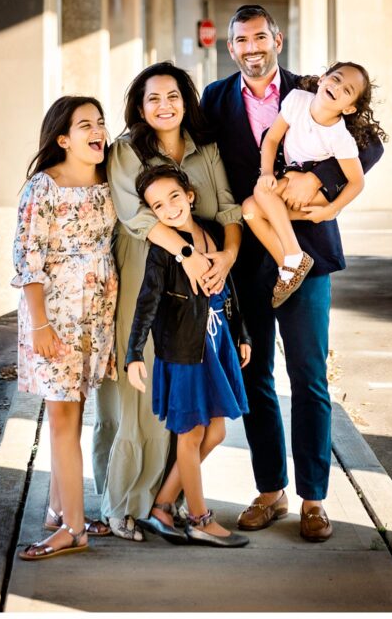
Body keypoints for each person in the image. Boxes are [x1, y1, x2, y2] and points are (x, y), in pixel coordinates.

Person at [200, 5, 384, 543]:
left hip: (307, 250)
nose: (251, 47)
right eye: (241, 40)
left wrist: (317, 178)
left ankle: (314, 499)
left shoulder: (315, 88)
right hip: (247, 257)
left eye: (260, 36)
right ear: (230, 48)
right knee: (255, 375)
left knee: (308, 376)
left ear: (277, 39)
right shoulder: (214, 99)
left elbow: (368, 143)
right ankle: (270, 490)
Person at [96, 62, 243, 540]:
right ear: (139, 107)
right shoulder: (125, 150)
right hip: (147, 274)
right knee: (140, 396)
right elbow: (133, 214)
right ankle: (123, 503)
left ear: (186, 100)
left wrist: (226, 256)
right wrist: (186, 253)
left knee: (185, 401)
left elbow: (226, 209)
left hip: (201, 282)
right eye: (153, 98)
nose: (164, 105)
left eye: (173, 95)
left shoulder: (207, 150)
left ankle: (168, 501)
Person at [12, 96, 118, 560]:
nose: (97, 131)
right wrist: (39, 324)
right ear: (63, 138)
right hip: (54, 316)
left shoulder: (108, 180)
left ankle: (61, 510)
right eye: (85, 125)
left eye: (100, 122)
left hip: (95, 316)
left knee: (75, 415)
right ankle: (74, 528)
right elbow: (27, 258)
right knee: (62, 419)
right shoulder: (43, 187)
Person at [125, 164, 251, 548]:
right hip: (182, 351)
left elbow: (228, 290)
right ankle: (199, 518)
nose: (170, 208)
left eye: (174, 197)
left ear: (190, 196)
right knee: (192, 432)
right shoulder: (164, 251)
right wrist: (134, 353)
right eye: (158, 205)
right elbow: (146, 302)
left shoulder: (211, 235)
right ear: (154, 213)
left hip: (215, 345)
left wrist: (242, 334)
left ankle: (163, 505)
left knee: (215, 431)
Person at [244, 61, 386, 307]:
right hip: (290, 174)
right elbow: (273, 139)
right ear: (322, 78)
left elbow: (356, 182)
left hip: (319, 193)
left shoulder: (340, 138)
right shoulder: (297, 99)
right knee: (250, 209)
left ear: (350, 108)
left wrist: (332, 210)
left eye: (348, 90)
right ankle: (289, 264)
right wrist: (267, 172)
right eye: (337, 79)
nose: (338, 87)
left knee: (260, 194)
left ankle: (293, 255)